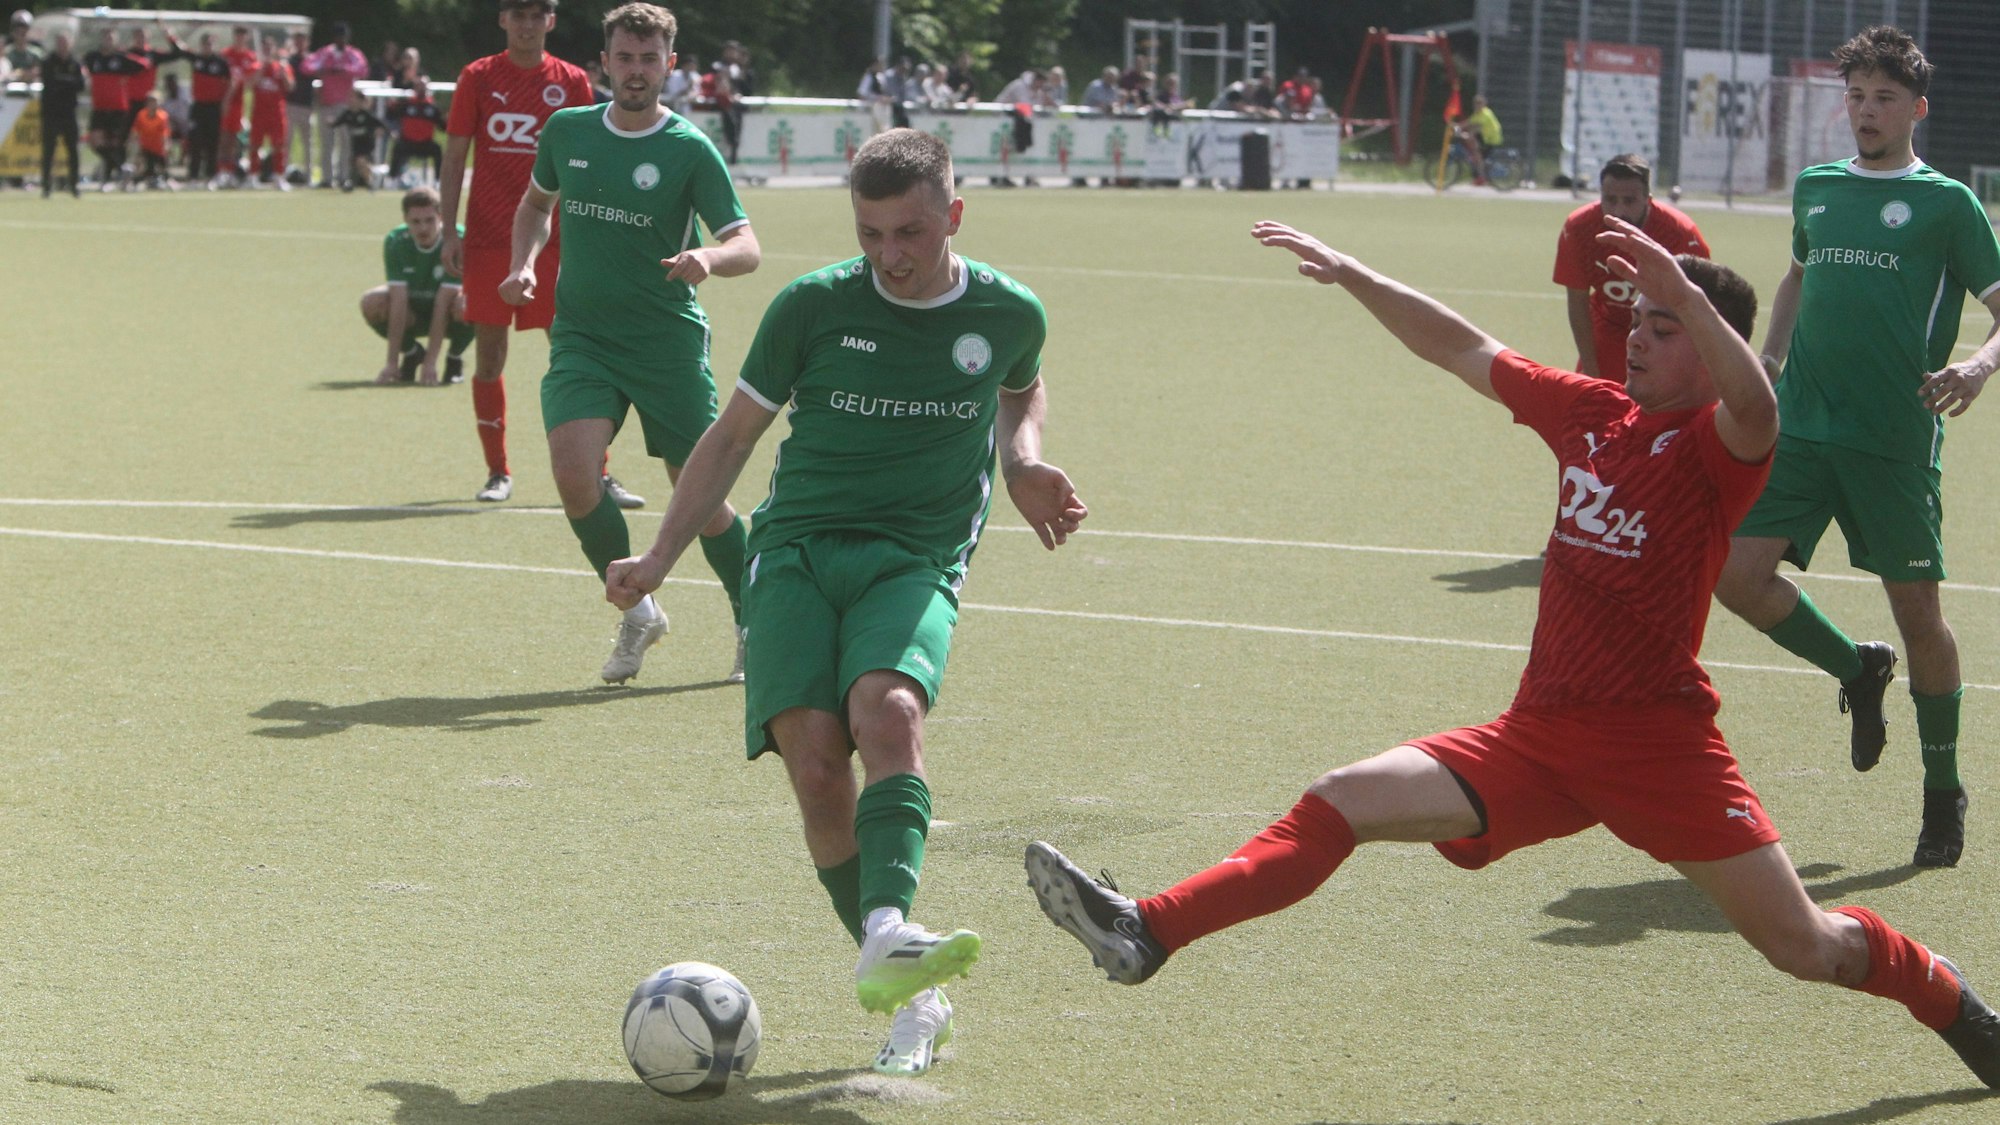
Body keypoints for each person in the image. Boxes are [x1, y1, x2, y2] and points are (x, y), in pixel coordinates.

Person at [1024, 215, 2000, 1094]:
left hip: (1658, 750)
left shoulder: (1717, 445)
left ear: (1706, 343)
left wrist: (1680, 288)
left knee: (1807, 947)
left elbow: (1758, 404)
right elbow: (1457, 344)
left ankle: (1947, 1001)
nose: (1636, 342)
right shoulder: (1589, 414)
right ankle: (1147, 928)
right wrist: (1357, 272)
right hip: (1536, 737)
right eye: (1637, 324)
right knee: (1340, 799)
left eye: (1662, 328)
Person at [605, 126, 1087, 1078]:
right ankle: (908, 981)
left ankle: (889, 948)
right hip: (795, 552)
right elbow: (734, 436)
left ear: (953, 214)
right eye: (870, 234)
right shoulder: (813, 306)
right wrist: (663, 548)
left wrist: (1024, 463)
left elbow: (1020, 391)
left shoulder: (1008, 311)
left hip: (916, 552)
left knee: (889, 709)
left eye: (909, 232)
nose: (890, 256)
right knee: (818, 765)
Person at [1712, 26, 2000, 870]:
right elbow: (1800, 271)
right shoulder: (1816, 186)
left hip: (1893, 440)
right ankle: (1853, 666)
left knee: (1923, 621)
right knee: (1737, 574)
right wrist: (1767, 359)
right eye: (1856, 97)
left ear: (1915, 108)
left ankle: (1942, 790)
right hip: (1802, 428)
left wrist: (1981, 365)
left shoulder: (1948, 202)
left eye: (1883, 99)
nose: (1866, 112)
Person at [501, 2, 760, 684]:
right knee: (572, 473)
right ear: (605, 61)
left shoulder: (688, 149)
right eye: (625, 58)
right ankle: (640, 610)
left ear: (670, 65)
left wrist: (708, 258)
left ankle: (753, 613)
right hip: (583, 336)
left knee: (696, 495)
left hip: (665, 343)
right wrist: (524, 262)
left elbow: (747, 244)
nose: (637, 71)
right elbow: (535, 204)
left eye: (650, 60)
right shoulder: (567, 130)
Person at [439, 0, 625, 507]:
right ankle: (497, 471)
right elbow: (455, 153)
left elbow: (595, 159)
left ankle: (601, 474)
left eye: (536, 14)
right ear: (502, 19)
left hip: (556, 241)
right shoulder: (477, 77)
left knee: (575, 352)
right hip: (487, 239)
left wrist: (598, 228)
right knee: (490, 355)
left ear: (551, 21)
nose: (526, 23)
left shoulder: (570, 82)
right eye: (517, 14)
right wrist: (448, 228)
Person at [1553, 153, 1711, 382]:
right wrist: (1589, 368)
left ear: (1648, 198)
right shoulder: (1579, 227)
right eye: (1610, 199)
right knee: (1596, 403)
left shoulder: (1681, 235)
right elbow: (1577, 301)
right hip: (1608, 328)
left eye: (1629, 201)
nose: (1618, 212)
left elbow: (1698, 307)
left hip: (1663, 331)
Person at [363, 186, 476, 386]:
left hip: (448, 312)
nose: (423, 228)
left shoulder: (458, 241)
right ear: (405, 219)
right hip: (413, 311)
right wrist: (391, 362)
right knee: (372, 303)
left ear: (441, 217)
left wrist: (431, 364)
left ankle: (454, 357)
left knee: (472, 304)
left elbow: (442, 304)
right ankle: (412, 352)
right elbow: (398, 300)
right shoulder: (395, 241)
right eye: (415, 221)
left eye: (429, 220)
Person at [303, 21, 370, 190]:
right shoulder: (326, 53)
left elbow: (362, 69)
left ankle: (343, 176)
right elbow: (307, 66)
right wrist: (327, 68)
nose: (341, 40)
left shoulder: (353, 54)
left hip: (346, 104)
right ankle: (327, 177)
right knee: (327, 142)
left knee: (346, 142)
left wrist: (341, 70)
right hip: (326, 103)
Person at [81, 28, 144, 188]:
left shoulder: (121, 58)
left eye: (111, 38)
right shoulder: (93, 57)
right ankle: (122, 168)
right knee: (95, 142)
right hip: (99, 107)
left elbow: (144, 64)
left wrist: (126, 78)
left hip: (118, 107)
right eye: (106, 37)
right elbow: (82, 67)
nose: (108, 41)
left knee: (114, 143)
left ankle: (109, 179)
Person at [37, 33, 83, 199]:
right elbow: (51, 83)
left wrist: (63, 82)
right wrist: (68, 82)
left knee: (73, 151)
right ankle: (46, 186)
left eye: (65, 43)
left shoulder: (75, 62)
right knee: (49, 151)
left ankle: (74, 185)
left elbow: (80, 84)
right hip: (51, 114)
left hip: (69, 113)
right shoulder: (48, 62)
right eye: (60, 43)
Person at [245, 39, 294, 189]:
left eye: (269, 48)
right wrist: (261, 69)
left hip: (276, 113)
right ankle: (253, 175)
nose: (267, 51)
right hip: (259, 112)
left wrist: (283, 71)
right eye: (264, 48)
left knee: (279, 145)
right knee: (255, 144)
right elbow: (248, 85)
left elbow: (290, 87)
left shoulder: (281, 67)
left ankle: (279, 176)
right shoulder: (256, 67)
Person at [184, 33, 232, 185]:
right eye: (205, 44)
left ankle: (211, 176)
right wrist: (166, 30)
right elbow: (179, 48)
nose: (208, 47)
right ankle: (193, 176)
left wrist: (225, 102)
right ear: (201, 45)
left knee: (212, 142)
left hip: (214, 107)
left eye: (210, 44)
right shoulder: (196, 59)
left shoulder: (220, 62)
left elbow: (230, 82)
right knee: (195, 141)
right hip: (198, 106)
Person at [387, 74, 445, 187]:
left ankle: (438, 180)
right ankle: (393, 179)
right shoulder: (406, 104)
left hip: (425, 144)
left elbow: (443, 126)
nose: (421, 88)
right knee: (398, 147)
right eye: (418, 86)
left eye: (423, 86)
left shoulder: (432, 107)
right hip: (408, 142)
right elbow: (391, 116)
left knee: (437, 149)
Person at [330, 89, 390, 190]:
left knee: (360, 161)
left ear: (360, 101)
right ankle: (370, 180)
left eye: (354, 98)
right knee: (358, 165)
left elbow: (382, 125)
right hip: (355, 144)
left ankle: (370, 177)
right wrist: (330, 122)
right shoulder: (348, 114)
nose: (351, 100)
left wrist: (380, 131)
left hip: (367, 144)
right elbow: (337, 123)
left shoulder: (366, 114)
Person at [283, 30, 317, 181]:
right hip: (291, 104)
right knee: (287, 141)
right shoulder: (289, 60)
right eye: (297, 41)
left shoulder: (312, 60)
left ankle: (309, 175)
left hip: (306, 105)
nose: (300, 44)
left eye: (302, 40)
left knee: (308, 143)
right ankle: (282, 173)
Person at [1454, 93, 1503, 184]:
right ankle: (1479, 174)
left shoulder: (1485, 113)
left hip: (1491, 139)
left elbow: (1477, 126)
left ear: (1484, 104)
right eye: (1476, 103)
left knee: (1478, 154)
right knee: (1473, 145)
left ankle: (1482, 177)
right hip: (1485, 137)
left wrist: (1465, 133)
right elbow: (1469, 122)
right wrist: (1457, 126)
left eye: (1480, 103)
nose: (1477, 104)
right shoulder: (1478, 114)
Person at [131, 92, 172, 188]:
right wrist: (134, 145)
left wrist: (166, 146)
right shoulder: (141, 115)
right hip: (145, 147)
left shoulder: (162, 116)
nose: (152, 103)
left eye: (155, 101)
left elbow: (165, 134)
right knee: (145, 166)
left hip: (158, 148)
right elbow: (135, 131)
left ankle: (162, 180)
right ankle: (138, 181)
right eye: (150, 101)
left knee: (162, 167)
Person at [6, 9, 40, 82]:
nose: (21, 36)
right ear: (12, 33)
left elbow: (38, 72)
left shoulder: (36, 54)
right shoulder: (6, 53)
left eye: (24, 33)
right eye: (17, 32)